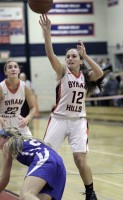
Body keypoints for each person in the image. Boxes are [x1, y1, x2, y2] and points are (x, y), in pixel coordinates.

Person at [39, 14, 104, 200]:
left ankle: (90, 192)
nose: (70, 58)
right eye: (67, 56)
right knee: (47, 155)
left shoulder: (86, 76)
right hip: (58, 119)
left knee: (79, 159)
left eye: (73, 56)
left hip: (78, 121)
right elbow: (50, 54)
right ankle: (43, 187)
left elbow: (99, 73)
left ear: (80, 60)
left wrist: (85, 55)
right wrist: (47, 33)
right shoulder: (62, 72)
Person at [0, 127, 66, 200]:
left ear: (7, 138)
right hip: (58, 162)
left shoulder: (8, 145)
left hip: (45, 159)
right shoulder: (26, 140)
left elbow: (4, 179)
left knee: (26, 194)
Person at [0, 61, 36, 136]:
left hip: (17, 119)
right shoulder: (1, 87)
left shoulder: (25, 87)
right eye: (10, 67)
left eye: (15, 67)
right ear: (6, 72)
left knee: (29, 141)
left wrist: (27, 119)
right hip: (2, 119)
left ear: (19, 70)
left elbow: (33, 107)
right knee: (4, 146)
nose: (13, 69)